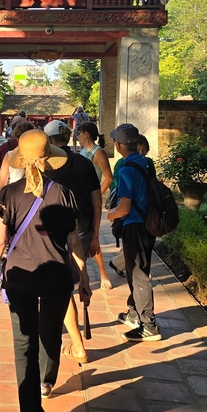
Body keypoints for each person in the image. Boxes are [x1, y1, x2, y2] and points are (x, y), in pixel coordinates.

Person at [0, 129, 92, 412]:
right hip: (57, 277)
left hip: (19, 278)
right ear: (49, 160)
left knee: (22, 345)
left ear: (20, 160)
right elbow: (73, 243)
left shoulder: (9, 194)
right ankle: (45, 381)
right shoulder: (65, 193)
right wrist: (84, 278)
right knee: (50, 334)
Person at [44, 119, 104, 361]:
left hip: (54, 233)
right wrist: (96, 235)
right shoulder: (84, 163)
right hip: (84, 229)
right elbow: (97, 202)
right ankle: (66, 329)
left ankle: (77, 344)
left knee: (61, 287)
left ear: (49, 141)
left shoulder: (45, 167)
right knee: (67, 282)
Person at [106, 122, 161, 342]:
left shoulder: (127, 169)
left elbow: (125, 207)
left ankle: (148, 325)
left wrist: (112, 214)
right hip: (148, 223)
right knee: (137, 270)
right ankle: (134, 312)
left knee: (139, 275)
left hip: (135, 226)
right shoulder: (146, 163)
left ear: (119, 146)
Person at [109, 133, 156, 277]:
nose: (141, 152)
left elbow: (125, 207)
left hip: (140, 217)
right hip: (138, 216)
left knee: (138, 270)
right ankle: (134, 298)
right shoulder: (123, 166)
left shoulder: (146, 164)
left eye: (144, 150)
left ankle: (118, 264)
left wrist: (112, 214)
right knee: (139, 265)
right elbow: (116, 185)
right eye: (139, 149)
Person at [77, 121, 115, 290]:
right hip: (81, 200)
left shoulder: (98, 152)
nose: (77, 137)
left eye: (79, 133)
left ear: (86, 133)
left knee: (93, 236)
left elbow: (108, 177)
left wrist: (97, 194)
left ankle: (103, 272)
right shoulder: (83, 152)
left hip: (91, 200)